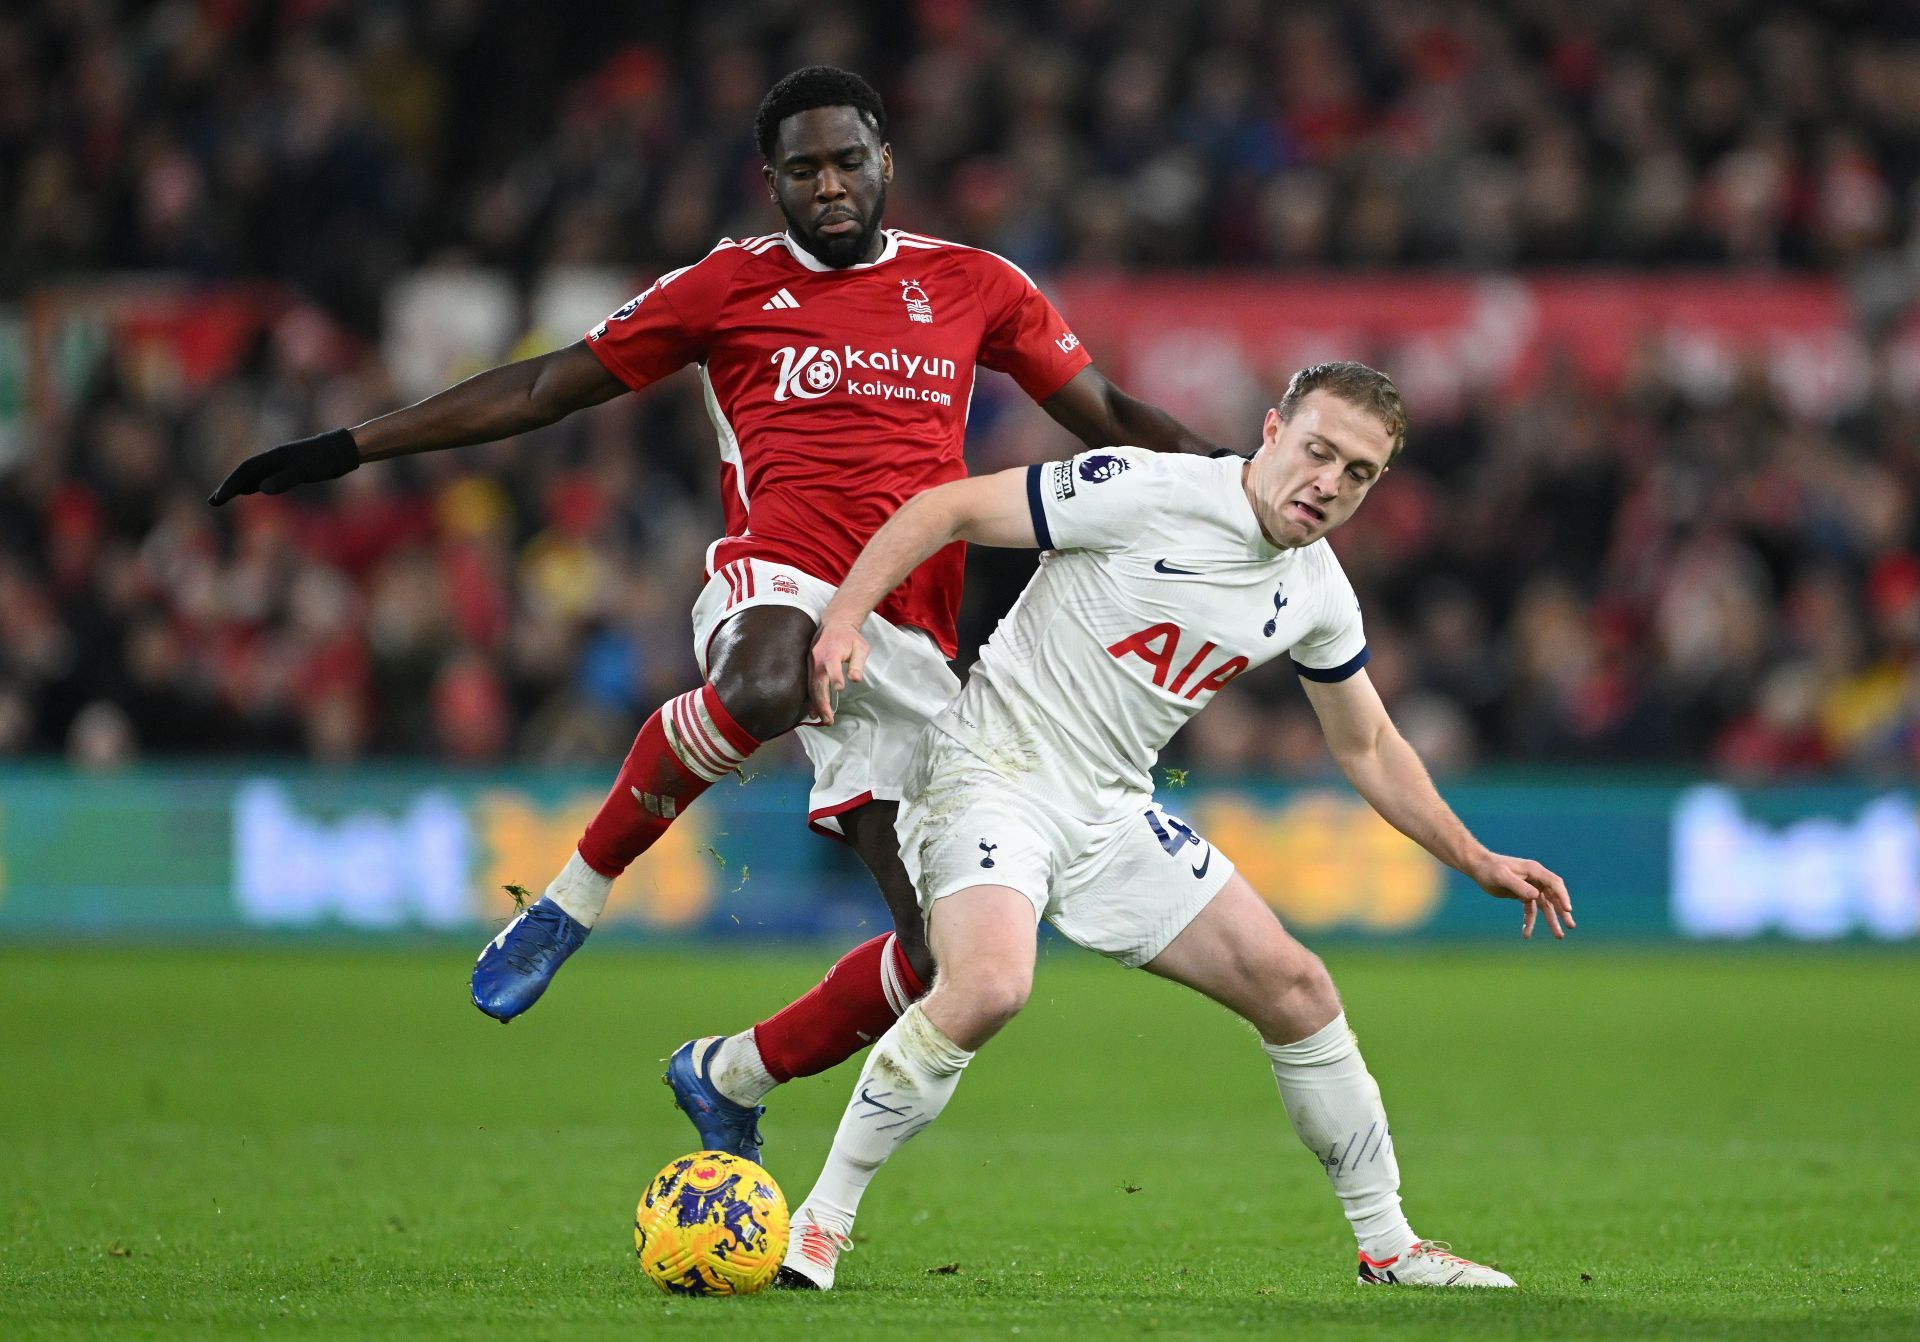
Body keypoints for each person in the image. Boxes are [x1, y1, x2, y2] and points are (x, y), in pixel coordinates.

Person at [207, 66, 1214, 1157]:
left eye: (846, 161)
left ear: (886, 161)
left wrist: (1242, 484)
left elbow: (1103, 411)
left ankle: (730, 1071)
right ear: (771, 183)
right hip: (777, 577)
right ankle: (569, 900)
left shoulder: (974, 283)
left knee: (945, 961)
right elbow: (547, 387)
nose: (829, 185)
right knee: (769, 677)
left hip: (912, 635)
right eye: (803, 169)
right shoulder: (726, 284)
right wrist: (349, 445)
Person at [777, 361, 1574, 1291]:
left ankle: (1390, 1249)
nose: (1329, 483)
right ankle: (821, 1223)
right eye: (1319, 451)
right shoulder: (1146, 488)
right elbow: (945, 508)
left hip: (1111, 810)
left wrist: (1473, 857)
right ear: (1272, 432)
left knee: (1299, 989)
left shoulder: (1316, 589)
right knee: (991, 985)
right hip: (989, 771)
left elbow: (1367, 747)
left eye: (1358, 473)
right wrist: (842, 621)